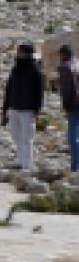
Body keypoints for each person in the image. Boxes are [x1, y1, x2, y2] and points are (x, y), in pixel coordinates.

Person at [3, 43, 45, 171]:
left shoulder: (35, 71)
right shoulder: (15, 69)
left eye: (20, 52)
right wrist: (5, 108)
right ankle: (20, 160)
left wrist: (37, 110)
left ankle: (27, 164)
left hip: (28, 109)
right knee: (16, 135)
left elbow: (39, 92)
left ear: (27, 54)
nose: (18, 54)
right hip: (14, 107)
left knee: (27, 137)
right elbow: (9, 89)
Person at [60, 44, 79, 174]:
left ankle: (75, 166)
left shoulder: (65, 67)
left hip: (74, 104)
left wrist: (66, 105)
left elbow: (67, 89)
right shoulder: (77, 64)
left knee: (73, 136)